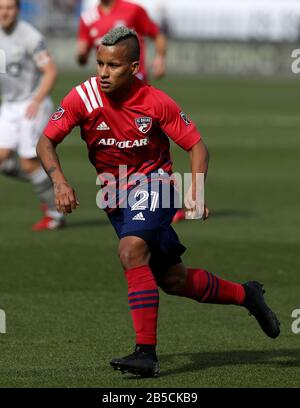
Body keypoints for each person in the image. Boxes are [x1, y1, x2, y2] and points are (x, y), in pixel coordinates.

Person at [37, 27, 280, 377]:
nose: (103, 73)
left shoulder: (155, 101)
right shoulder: (82, 97)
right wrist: (59, 181)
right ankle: (248, 295)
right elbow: (46, 142)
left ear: (134, 66)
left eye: (114, 66)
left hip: (157, 184)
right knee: (173, 280)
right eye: (100, 64)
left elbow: (197, 147)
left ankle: (145, 354)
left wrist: (194, 192)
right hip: (112, 192)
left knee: (131, 251)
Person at [0, 0, 64, 230]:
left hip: (32, 104)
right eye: (1, 7)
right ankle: (52, 185)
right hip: (9, 105)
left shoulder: (29, 36)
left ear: (17, 10)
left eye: (9, 8)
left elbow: (51, 71)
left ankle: (55, 214)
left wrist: (37, 100)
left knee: (28, 163)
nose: (4, 12)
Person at [77, 0, 167, 82]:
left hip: (135, 78)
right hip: (107, 80)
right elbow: (82, 56)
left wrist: (160, 58)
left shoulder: (133, 9)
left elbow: (157, 35)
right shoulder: (87, 17)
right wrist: (81, 55)